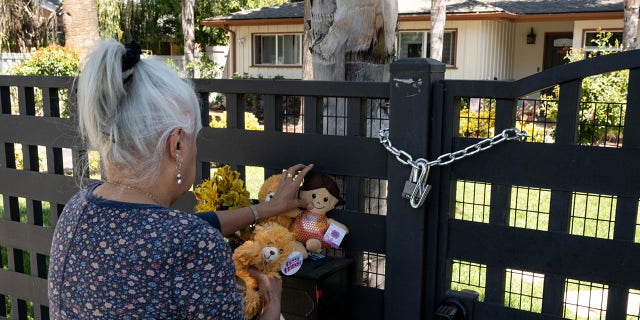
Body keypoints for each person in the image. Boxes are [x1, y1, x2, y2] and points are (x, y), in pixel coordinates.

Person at [47, 39, 313, 320]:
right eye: (194, 139)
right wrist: (272, 307)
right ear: (177, 146)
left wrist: (266, 210)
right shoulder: (190, 243)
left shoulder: (79, 207)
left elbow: (175, 233)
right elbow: (184, 238)